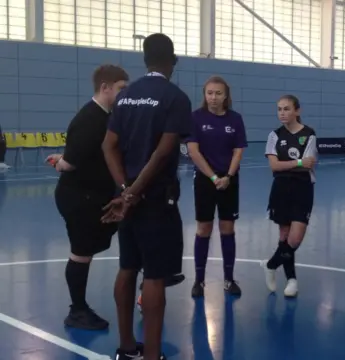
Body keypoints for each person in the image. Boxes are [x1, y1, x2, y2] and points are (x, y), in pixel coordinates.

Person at [101, 33, 191, 360]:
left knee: (127, 266)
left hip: (127, 200)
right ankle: (152, 355)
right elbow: (164, 151)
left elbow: (107, 146)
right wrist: (135, 192)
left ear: (144, 59)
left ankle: (127, 349)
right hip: (154, 200)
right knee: (154, 275)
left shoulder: (126, 97)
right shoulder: (175, 97)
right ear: (173, 60)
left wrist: (124, 190)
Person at [46, 64, 129, 330]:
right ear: (105, 88)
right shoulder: (90, 118)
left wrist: (66, 157)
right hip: (78, 199)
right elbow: (70, 164)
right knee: (81, 253)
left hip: (96, 195)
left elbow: (86, 153)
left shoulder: (107, 116)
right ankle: (77, 311)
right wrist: (60, 162)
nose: (125, 95)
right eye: (121, 90)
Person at [186, 75, 247, 297]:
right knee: (204, 229)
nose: (213, 97)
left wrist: (228, 176)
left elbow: (238, 150)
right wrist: (213, 178)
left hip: (229, 181)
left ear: (226, 96)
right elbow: (194, 151)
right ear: (205, 95)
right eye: (209, 93)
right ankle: (199, 281)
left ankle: (229, 280)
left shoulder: (235, 119)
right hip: (205, 181)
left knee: (227, 228)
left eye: (218, 93)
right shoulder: (195, 118)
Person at [261, 95, 317, 298]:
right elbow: (274, 166)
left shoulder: (309, 134)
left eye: (286, 109)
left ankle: (270, 264)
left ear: (297, 111)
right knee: (283, 235)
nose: (282, 113)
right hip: (281, 189)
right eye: (279, 109)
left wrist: (298, 164)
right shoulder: (274, 136)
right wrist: (299, 163)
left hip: (303, 189)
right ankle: (292, 280)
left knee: (294, 239)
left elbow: (309, 163)